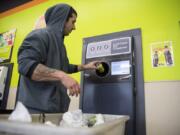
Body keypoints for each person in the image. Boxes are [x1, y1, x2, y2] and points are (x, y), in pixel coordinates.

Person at [17, 3, 99, 113]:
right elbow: (25, 65)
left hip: (54, 110)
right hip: (35, 112)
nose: (74, 27)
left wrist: (85, 66)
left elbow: (64, 67)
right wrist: (62, 76)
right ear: (63, 19)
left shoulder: (60, 45)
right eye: (73, 22)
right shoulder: (39, 35)